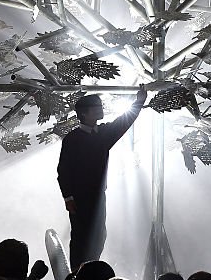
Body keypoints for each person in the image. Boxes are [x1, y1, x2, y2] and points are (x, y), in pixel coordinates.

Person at [58, 86, 147, 269]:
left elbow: (124, 122)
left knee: (99, 235)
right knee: (81, 236)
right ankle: (77, 275)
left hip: (98, 196)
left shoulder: (103, 134)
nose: (101, 109)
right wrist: (68, 197)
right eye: (97, 107)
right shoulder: (72, 139)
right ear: (84, 113)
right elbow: (64, 170)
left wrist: (139, 102)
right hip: (79, 197)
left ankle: (89, 270)